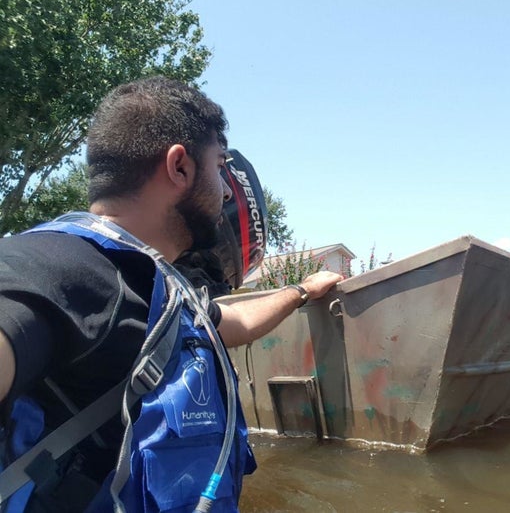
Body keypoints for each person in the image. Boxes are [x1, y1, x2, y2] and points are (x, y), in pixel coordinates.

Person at [0, 76, 342, 512]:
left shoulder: (160, 288)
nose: (223, 190)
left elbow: (230, 323)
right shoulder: (56, 265)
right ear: (180, 167)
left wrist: (300, 291)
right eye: (219, 166)